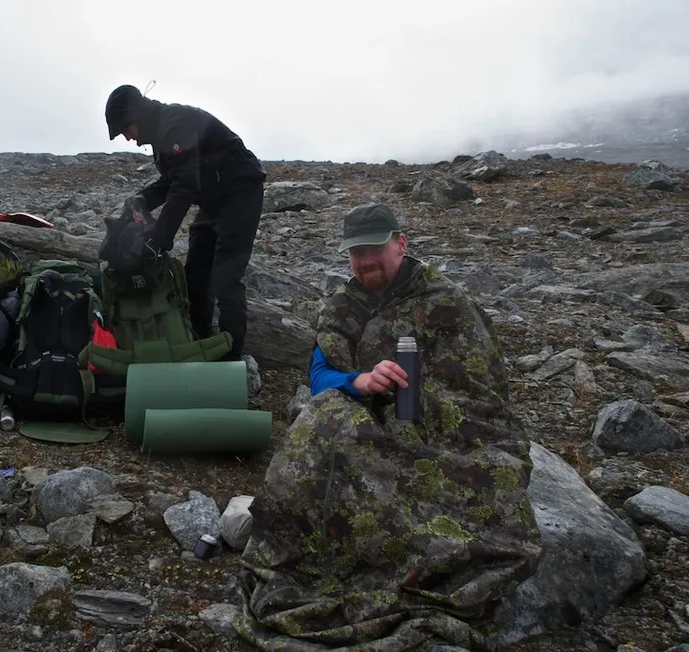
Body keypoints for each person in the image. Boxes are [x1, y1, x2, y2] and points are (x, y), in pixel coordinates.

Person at [233, 202, 543, 651]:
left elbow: (482, 393)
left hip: (443, 432)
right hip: (370, 421)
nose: (365, 262)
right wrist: (359, 381)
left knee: (486, 497)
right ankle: (321, 558)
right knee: (320, 425)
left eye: (374, 248)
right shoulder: (343, 306)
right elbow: (319, 377)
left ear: (401, 243)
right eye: (356, 253)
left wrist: (426, 404)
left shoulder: (447, 303)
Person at [104, 83, 267, 361]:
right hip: (214, 198)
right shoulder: (160, 133)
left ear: (137, 116)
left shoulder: (173, 125)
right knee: (196, 273)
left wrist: (158, 241)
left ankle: (231, 358)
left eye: (125, 130)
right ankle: (199, 340)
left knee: (225, 275)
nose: (128, 138)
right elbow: (172, 181)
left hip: (240, 192)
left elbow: (184, 185)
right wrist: (140, 200)